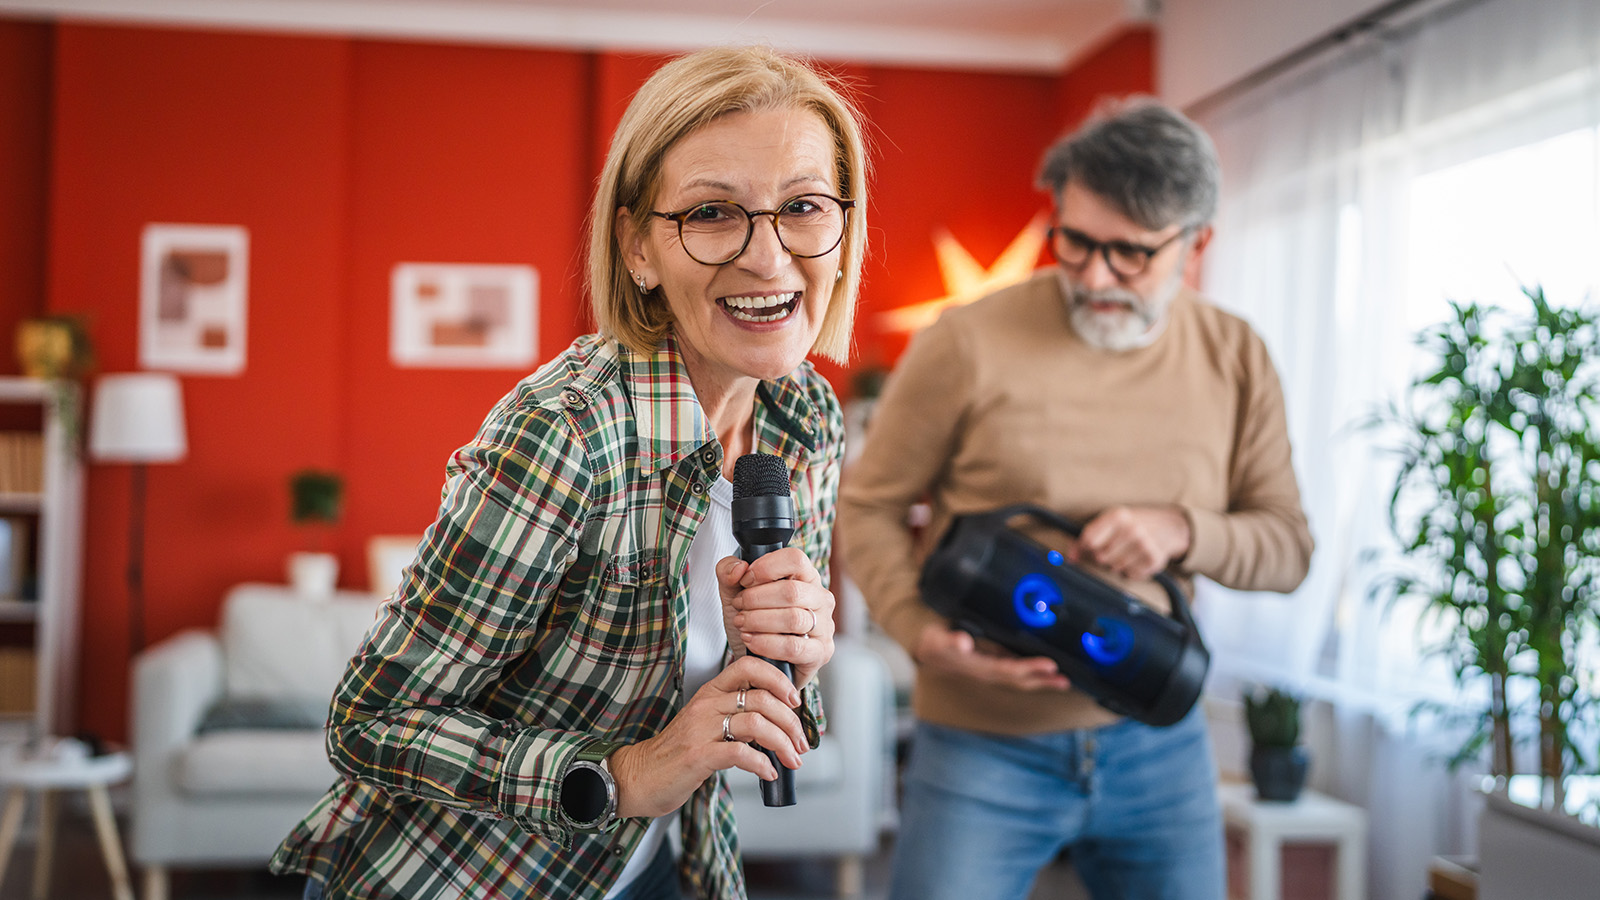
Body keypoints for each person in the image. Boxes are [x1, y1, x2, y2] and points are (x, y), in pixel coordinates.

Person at [269, 45, 869, 900]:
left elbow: (735, 699)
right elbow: (369, 724)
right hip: (468, 878)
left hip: (661, 862)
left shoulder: (805, 415)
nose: (769, 260)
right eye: (710, 214)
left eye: (803, 206)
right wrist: (623, 775)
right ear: (637, 249)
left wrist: (793, 657)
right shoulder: (565, 435)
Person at [836, 97, 1313, 900]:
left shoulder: (1237, 356)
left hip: (1159, 747)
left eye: (1130, 255)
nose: (1093, 277)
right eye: (1077, 241)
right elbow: (869, 505)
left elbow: (1288, 547)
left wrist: (1182, 530)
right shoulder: (964, 341)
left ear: (1198, 243)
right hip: (980, 746)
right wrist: (919, 633)